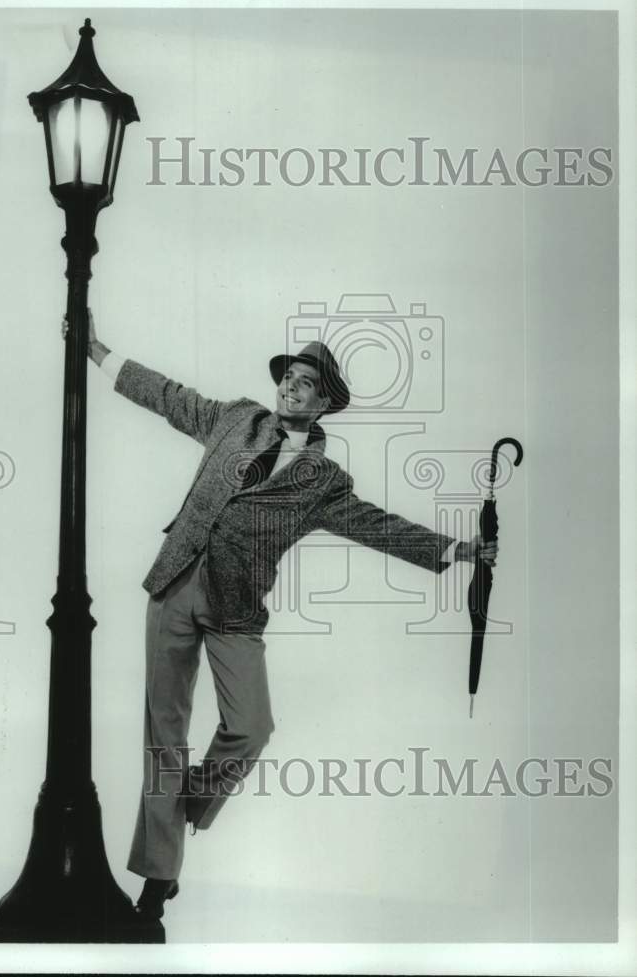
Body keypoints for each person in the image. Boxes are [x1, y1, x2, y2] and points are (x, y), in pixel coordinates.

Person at [63, 312, 497, 921]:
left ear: (323, 405)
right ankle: (157, 885)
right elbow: (166, 396)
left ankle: (188, 801)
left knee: (251, 727)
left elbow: (376, 526)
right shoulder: (233, 418)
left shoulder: (323, 481)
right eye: (288, 377)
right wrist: (95, 349)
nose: (291, 388)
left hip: (236, 606)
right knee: (164, 736)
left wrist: (454, 549)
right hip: (174, 584)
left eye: (305, 384)